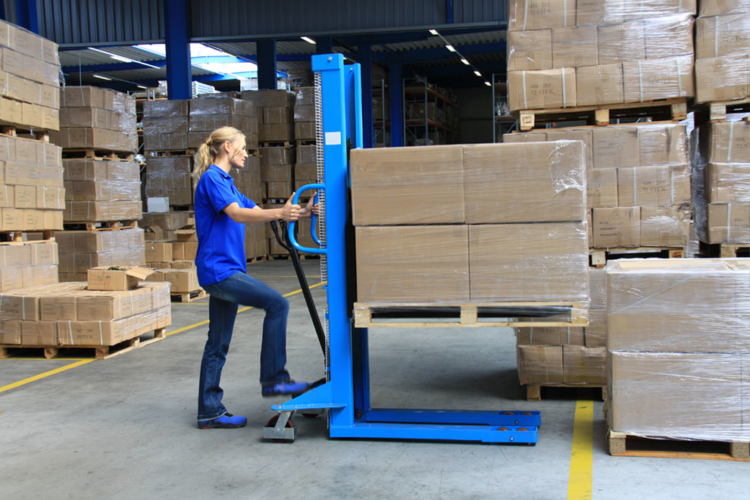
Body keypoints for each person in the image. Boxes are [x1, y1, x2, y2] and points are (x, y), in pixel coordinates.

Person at [192, 126, 317, 429]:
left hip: (224, 270)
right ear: (226, 148)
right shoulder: (212, 179)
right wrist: (280, 214)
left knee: (217, 344)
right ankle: (274, 379)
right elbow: (237, 214)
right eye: (243, 148)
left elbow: (259, 210)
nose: (247, 154)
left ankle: (209, 411)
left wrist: (304, 210)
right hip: (220, 271)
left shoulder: (228, 184)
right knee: (277, 304)